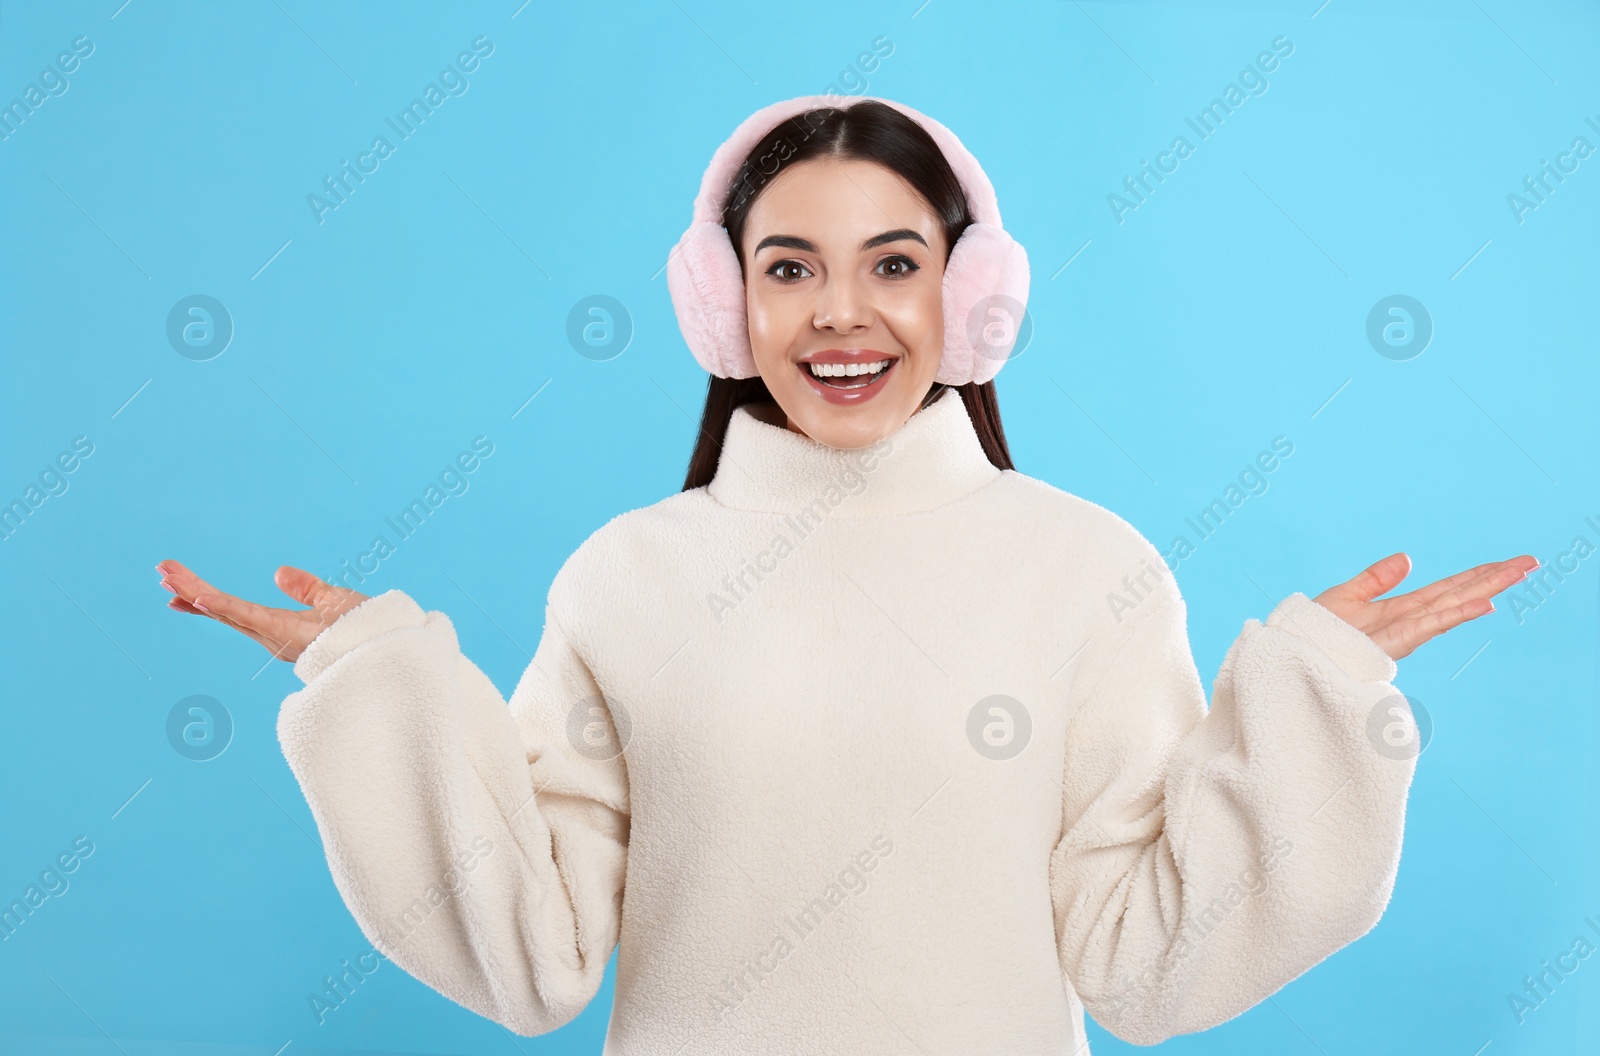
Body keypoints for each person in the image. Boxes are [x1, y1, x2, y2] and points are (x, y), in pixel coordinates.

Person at [155, 95, 1537, 1054]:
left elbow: (1144, 964)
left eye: (893, 262)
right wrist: (378, 686)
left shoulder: (1088, 571)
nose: (840, 313)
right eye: (788, 266)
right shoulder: (624, 580)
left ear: (970, 293)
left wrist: (1311, 700)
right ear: (725, 304)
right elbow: (537, 956)